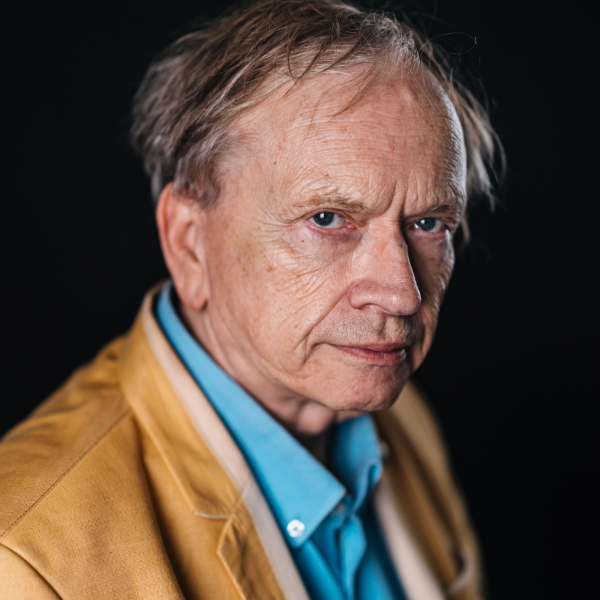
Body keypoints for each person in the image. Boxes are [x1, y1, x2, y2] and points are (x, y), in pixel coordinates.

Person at [0, 1, 501, 598]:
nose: (400, 293)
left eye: (428, 224)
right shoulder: (25, 561)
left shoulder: (401, 417)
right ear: (189, 244)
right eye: (327, 218)